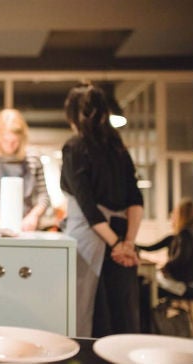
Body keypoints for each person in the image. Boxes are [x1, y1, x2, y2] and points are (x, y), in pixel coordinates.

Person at [60, 81, 144, 337]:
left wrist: (117, 245)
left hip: (91, 239)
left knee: (89, 318)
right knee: (123, 319)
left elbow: (87, 206)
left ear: (72, 114)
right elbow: (136, 199)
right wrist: (128, 243)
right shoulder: (119, 148)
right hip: (122, 239)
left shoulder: (75, 147)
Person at [137, 197, 193, 297]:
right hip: (182, 283)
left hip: (182, 286)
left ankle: (154, 311)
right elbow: (150, 248)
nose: (171, 217)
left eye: (174, 214)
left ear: (182, 215)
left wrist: (165, 267)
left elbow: (181, 259)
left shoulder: (184, 235)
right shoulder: (176, 237)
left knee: (146, 288)